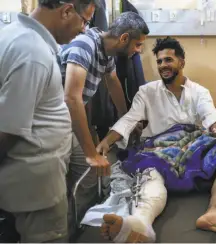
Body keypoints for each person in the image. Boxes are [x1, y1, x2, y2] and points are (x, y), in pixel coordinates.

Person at [96, 37, 216, 242]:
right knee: (151, 168)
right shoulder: (147, 92)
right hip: (158, 151)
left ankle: (213, 212)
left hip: (192, 148)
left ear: (181, 62)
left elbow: (213, 119)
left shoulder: (199, 92)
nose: (162, 66)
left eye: (168, 60)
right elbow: (130, 119)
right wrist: (107, 140)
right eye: (159, 62)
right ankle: (141, 223)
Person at [0, 0, 97, 242]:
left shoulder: (12, 34)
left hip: (31, 178)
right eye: (84, 20)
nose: (85, 29)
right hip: (35, 187)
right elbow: (6, 130)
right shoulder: (32, 53)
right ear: (66, 11)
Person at [57, 11, 150, 221]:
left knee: (91, 176)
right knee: (60, 186)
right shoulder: (84, 46)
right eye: (137, 45)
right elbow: (72, 99)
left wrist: (128, 119)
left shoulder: (105, 49)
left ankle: (75, 225)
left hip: (68, 123)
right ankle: (61, 227)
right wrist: (91, 153)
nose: (138, 51)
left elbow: (113, 81)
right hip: (52, 125)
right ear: (124, 38)